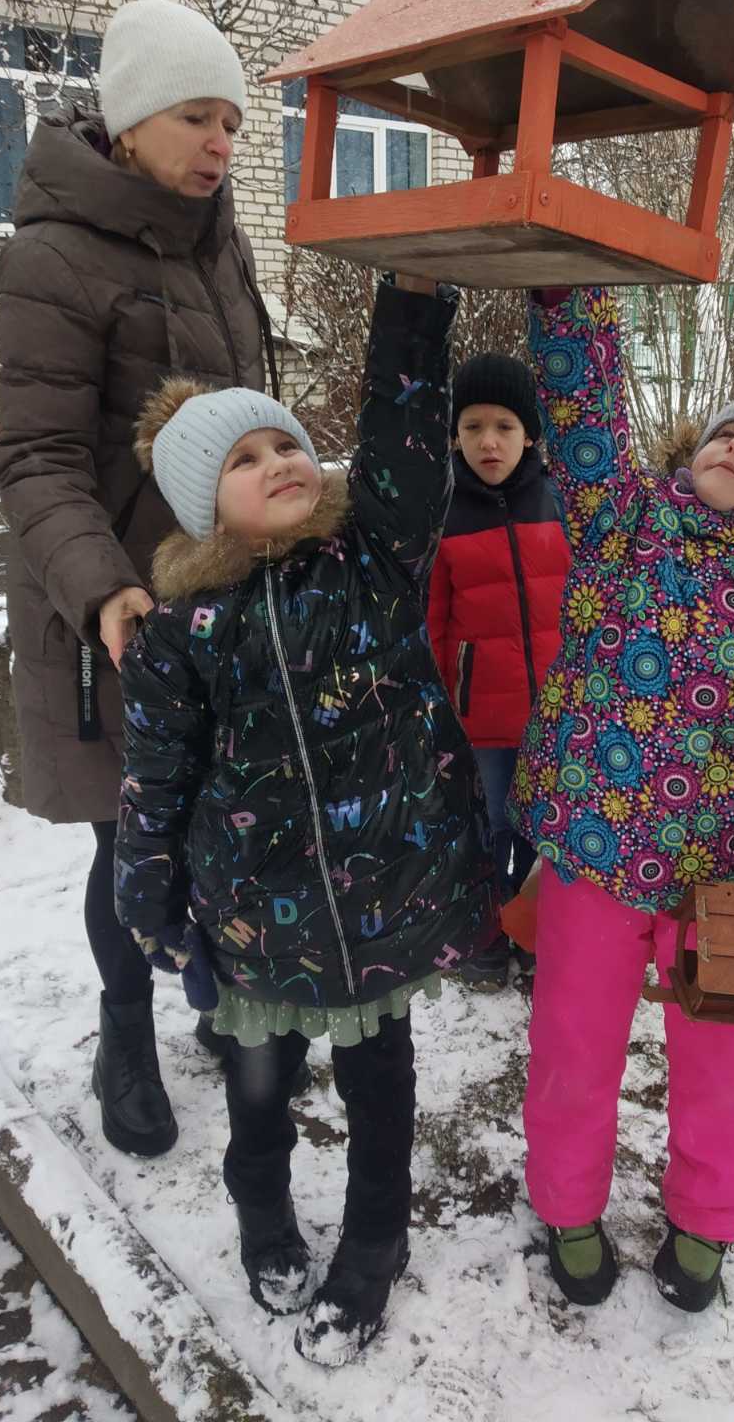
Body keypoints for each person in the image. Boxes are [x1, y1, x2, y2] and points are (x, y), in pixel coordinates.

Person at [113, 276, 498, 1366]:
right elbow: (154, 778)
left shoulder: (374, 563)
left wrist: (410, 310)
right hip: (254, 923)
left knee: (381, 1091)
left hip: (387, 906)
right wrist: (150, 898)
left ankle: (375, 1239)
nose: (279, 462)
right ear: (202, 505)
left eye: (286, 444)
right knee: (258, 1093)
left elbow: (405, 453)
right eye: (243, 459)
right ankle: (265, 1218)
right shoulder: (182, 630)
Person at [508, 286, 734, 1313]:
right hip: (595, 853)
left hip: (723, 877)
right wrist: (569, 300)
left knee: (727, 1064)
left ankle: (708, 1221)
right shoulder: (624, 526)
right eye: (728, 433)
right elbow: (583, 419)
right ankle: (569, 1208)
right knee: (574, 1048)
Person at [0, 0, 278, 1160]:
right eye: (199, 117)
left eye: (233, 123)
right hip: (113, 607)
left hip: (223, 599)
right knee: (132, 834)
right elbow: (37, 458)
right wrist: (104, 587)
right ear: (132, 118)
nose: (221, 142)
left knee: (223, 814)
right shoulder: (53, 255)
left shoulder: (219, 240)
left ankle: (212, 985)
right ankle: (125, 1032)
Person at [427, 353, 571, 989]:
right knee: (489, 826)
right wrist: (440, 703)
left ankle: (536, 934)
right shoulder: (444, 510)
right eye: (473, 427)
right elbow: (434, 622)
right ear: (455, 435)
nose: (489, 441)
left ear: (530, 434)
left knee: (546, 825)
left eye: (505, 426)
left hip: (556, 713)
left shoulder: (559, 501)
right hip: (480, 715)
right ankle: (487, 932)